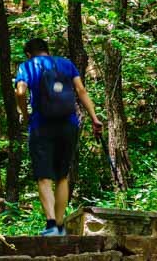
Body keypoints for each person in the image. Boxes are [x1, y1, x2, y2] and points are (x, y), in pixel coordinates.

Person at [15, 37, 103, 236]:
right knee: (62, 176)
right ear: (47, 50)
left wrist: (25, 113)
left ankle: (51, 225)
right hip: (68, 124)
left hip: (41, 125)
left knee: (44, 176)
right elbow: (81, 90)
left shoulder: (27, 66)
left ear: (29, 54)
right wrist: (95, 119)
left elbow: (20, 91)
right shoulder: (66, 63)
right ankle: (61, 226)